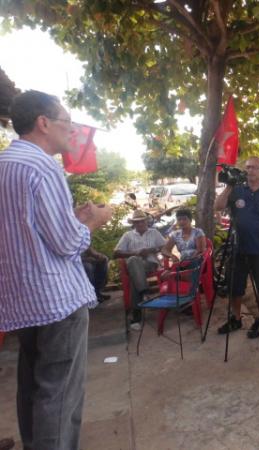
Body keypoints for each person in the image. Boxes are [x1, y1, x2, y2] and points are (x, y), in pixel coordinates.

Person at [0, 90, 113, 450]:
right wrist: (93, 222)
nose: (72, 131)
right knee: (59, 394)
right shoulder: (43, 165)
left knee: (32, 387)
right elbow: (67, 245)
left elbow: (29, 228)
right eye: (66, 122)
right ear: (43, 123)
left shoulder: (6, 164)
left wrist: (73, 220)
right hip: (57, 300)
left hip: (23, 298)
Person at [214, 157, 259, 339]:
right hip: (238, 249)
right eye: (247, 167)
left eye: (254, 168)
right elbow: (218, 206)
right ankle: (236, 318)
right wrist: (229, 186)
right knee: (234, 288)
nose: (250, 171)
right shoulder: (237, 190)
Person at [114, 209, 166, 329]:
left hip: (150, 264)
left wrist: (150, 250)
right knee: (133, 261)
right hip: (134, 265)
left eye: (142, 221)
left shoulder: (154, 233)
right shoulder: (128, 235)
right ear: (133, 224)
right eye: (137, 222)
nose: (140, 224)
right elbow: (116, 253)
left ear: (146, 222)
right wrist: (136, 253)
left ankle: (136, 315)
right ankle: (144, 292)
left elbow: (164, 247)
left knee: (134, 277)